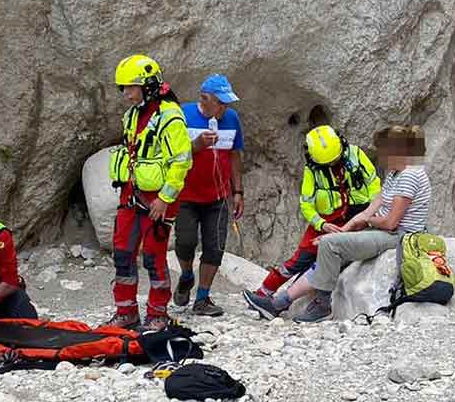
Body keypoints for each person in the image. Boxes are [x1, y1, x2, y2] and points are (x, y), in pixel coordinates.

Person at [246, 125, 430, 322]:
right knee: (323, 249)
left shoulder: (409, 176)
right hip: (365, 224)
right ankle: (277, 303)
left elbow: (390, 222)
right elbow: (374, 204)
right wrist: (341, 231)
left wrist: (364, 222)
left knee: (329, 246)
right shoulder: (395, 174)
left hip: (396, 234)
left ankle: (322, 305)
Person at [243, 124, 379, 314]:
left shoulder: (355, 155)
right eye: (328, 163)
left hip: (357, 215)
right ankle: (264, 293)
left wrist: (369, 216)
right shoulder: (312, 170)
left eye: (336, 160)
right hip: (326, 220)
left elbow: (374, 185)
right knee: (300, 259)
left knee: (323, 262)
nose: (333, 165)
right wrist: (321, 224)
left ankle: (283, 302)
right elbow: (306, 204)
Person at [107, 54, 192, 331]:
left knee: (154, 258)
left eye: (130, 87)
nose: (126, 94)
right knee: (122, 254)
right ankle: (126, 313)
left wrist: (165, 199)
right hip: (131, 197)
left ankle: (157, 314)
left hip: (157, 201)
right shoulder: (132, 116)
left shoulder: (170, 117)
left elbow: (181, 161)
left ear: (148, 86)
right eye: (123, 88)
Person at [173, 74, 245, 316]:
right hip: (185, 195)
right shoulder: (183, 115)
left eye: (227, 103)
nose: (225, 108)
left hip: (218, 196)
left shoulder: (231, 119)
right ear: (205, 99)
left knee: (215, 248)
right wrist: (196, 146)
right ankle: (186, 275)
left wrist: (238, 191)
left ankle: (202, 298)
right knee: (185, 242)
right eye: (221, 103)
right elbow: (171, 153)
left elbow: (235, 155)